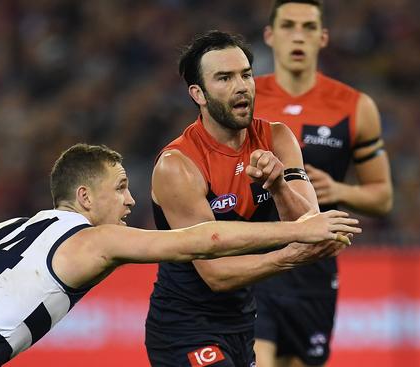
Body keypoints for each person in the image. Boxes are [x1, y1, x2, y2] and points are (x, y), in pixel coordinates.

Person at [0, 143, 361, 367]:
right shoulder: (94, 240)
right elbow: (197, 242)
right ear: (84, 197)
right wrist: (299, 231)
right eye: (119, 188)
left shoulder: (0, 231)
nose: (130, 201)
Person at [145, 30, 353, 366]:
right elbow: (217, 275)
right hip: (184, 327)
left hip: (242, 323)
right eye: (224, 78)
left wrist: (278, 186)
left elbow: (309, 223)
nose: (241, 86)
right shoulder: (178, 166)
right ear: (198, 94)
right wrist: (290, 255)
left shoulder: (277, 137)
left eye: (246, 75)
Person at [252, 1, 394, 366]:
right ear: (270, 35)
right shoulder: (245, 101)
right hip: (256, 257)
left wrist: (338, 191)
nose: (297, 35)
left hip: (315, 266)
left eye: (308, 27)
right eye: (287, 25)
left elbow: (382, 198)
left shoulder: (355, 106)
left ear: (323, 37)